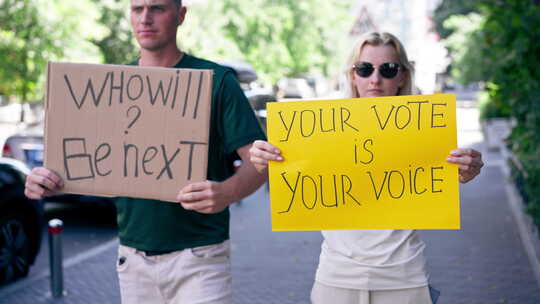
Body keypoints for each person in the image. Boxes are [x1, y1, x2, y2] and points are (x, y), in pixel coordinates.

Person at [24, 0, 267, 303]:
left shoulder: (217, 81)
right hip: (132, 258)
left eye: (157, 8)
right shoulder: (110, 85)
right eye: (137, 9)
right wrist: (47, 181)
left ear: (181, 15)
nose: (145, 18)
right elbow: (90, 162)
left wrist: (228, 191)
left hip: (201, 257)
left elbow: (259, 162)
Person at [249, 31, 484, 304]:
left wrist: (468, 168)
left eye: (388, 69)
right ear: (352, 76)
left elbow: (450, 173)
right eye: (364, 69)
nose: (375, 79)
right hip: (336, 278)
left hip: (404, 277)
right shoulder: (320, 130)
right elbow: (286, 164)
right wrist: (262, 155)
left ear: (403, 76)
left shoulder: (428, 133)